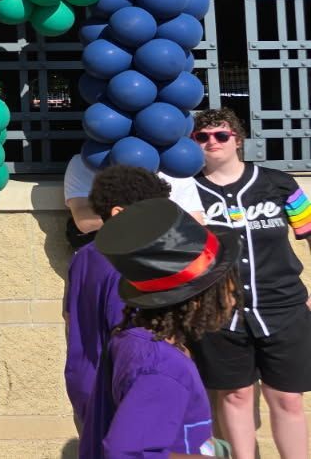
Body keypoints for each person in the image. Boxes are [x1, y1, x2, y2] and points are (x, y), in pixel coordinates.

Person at [187, 107, 311, 459]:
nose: (212, 142)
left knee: (287, 398)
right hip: (218, 313)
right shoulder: (186, 192)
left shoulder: (279, 183)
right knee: (234, 395)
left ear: (237, 140)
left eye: (221, 135)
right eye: (202, 136)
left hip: (283, 307)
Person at [80, 198, 240, 458]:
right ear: (197, 300)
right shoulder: (163, 368)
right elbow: (127, 453)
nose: (234, 299)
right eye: (228, 290)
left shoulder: (134, 338)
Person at [63, 166, 174, 426]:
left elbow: (68, 316)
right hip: (123, 392)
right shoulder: (127, 264)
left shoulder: (84, 255)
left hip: (86, 385)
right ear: (119, 214)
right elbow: (129, 337)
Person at [63, 151, 204, 246]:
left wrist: (126, 217)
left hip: (164, 253)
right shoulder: (86, 162)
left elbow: (194, 224)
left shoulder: (175, 164)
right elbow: (85, 222)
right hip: (110, 256)